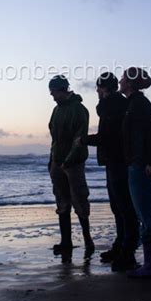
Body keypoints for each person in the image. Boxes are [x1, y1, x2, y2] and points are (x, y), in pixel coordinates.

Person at [84, 72, 139, 269]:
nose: (97, 91)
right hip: (115, 161)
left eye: (98, 87)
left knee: (123, 207)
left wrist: (82, 139)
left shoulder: (112, 107)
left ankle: (127, 252)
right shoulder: (113, 106)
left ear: (104, 88)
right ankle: (121, 246)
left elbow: (107, 137)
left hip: (118, 161)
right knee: (119, 207)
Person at [120, 67, 151, 278]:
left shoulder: (138, 104)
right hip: (140, 164)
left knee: (147, 216)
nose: (120, 81)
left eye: (123, 78)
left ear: (129, 83)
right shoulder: (136, 103)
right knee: (150, 214)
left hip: (142, 166)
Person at [48, 75, 94, 260]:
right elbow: (54, 139)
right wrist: (52, 160)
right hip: (57, 162)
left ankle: (88, 240)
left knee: (80, 200)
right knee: (61, 201)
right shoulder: (56, 110)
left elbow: (79, 138)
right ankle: (66, 241)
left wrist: (69, 160)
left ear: (63, 90)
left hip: (73, 164)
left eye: (54, 92)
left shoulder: (80, 110)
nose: (52, 96)